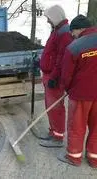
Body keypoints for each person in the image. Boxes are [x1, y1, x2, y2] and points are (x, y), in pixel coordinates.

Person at [58, 15, 97, 168]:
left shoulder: (74, 47)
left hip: (81, 94)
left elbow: (66, 75)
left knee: (77, 126)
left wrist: (68, 88)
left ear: (80, 29)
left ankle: (74, 157)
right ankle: (94, 158)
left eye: (72, 32)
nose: (72, 35)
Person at [39, 5, 73, 148]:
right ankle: (54, 131)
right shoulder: (57, 30)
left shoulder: (64, 33)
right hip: (49, 74)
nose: (47, 21)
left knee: (55, 107)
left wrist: (54, 77)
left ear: (55, 17)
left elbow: (61, 58)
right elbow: (51, 52)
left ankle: (58, 136)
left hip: (55, 77)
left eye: (48, 18)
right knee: (50, 106)